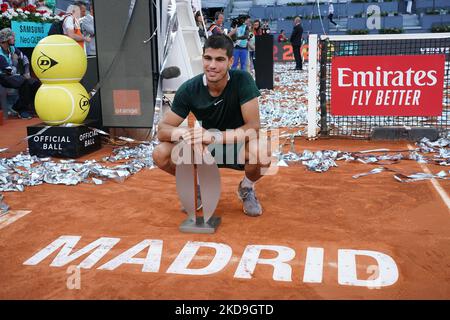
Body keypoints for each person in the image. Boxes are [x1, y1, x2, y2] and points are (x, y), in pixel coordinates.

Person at [153, 34, 271, 217]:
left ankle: (246, 187)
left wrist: (214, 136)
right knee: (161, 153)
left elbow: (253, 127)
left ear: (231, 61)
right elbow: (162, 130)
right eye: (208, 58)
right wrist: (187, 134)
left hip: (236, 145)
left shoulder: (243, 80)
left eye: (220, 59)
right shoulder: (189, 88)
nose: (212, 65)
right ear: (202, 58)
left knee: (262, 152)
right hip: (205, 149)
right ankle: (197, 186)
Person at [0, 28, 40, 119]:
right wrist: (14, 61)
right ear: (6, 39)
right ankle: (22, 110)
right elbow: (8, 71)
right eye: (12, 37)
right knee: (24, 81)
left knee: (35, 83)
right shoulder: (0, 53)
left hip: (13, 75)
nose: (14, 39)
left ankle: (30, 107)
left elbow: (25, 58)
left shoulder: (12, 48)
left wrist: (27, 72)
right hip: (3, 76)